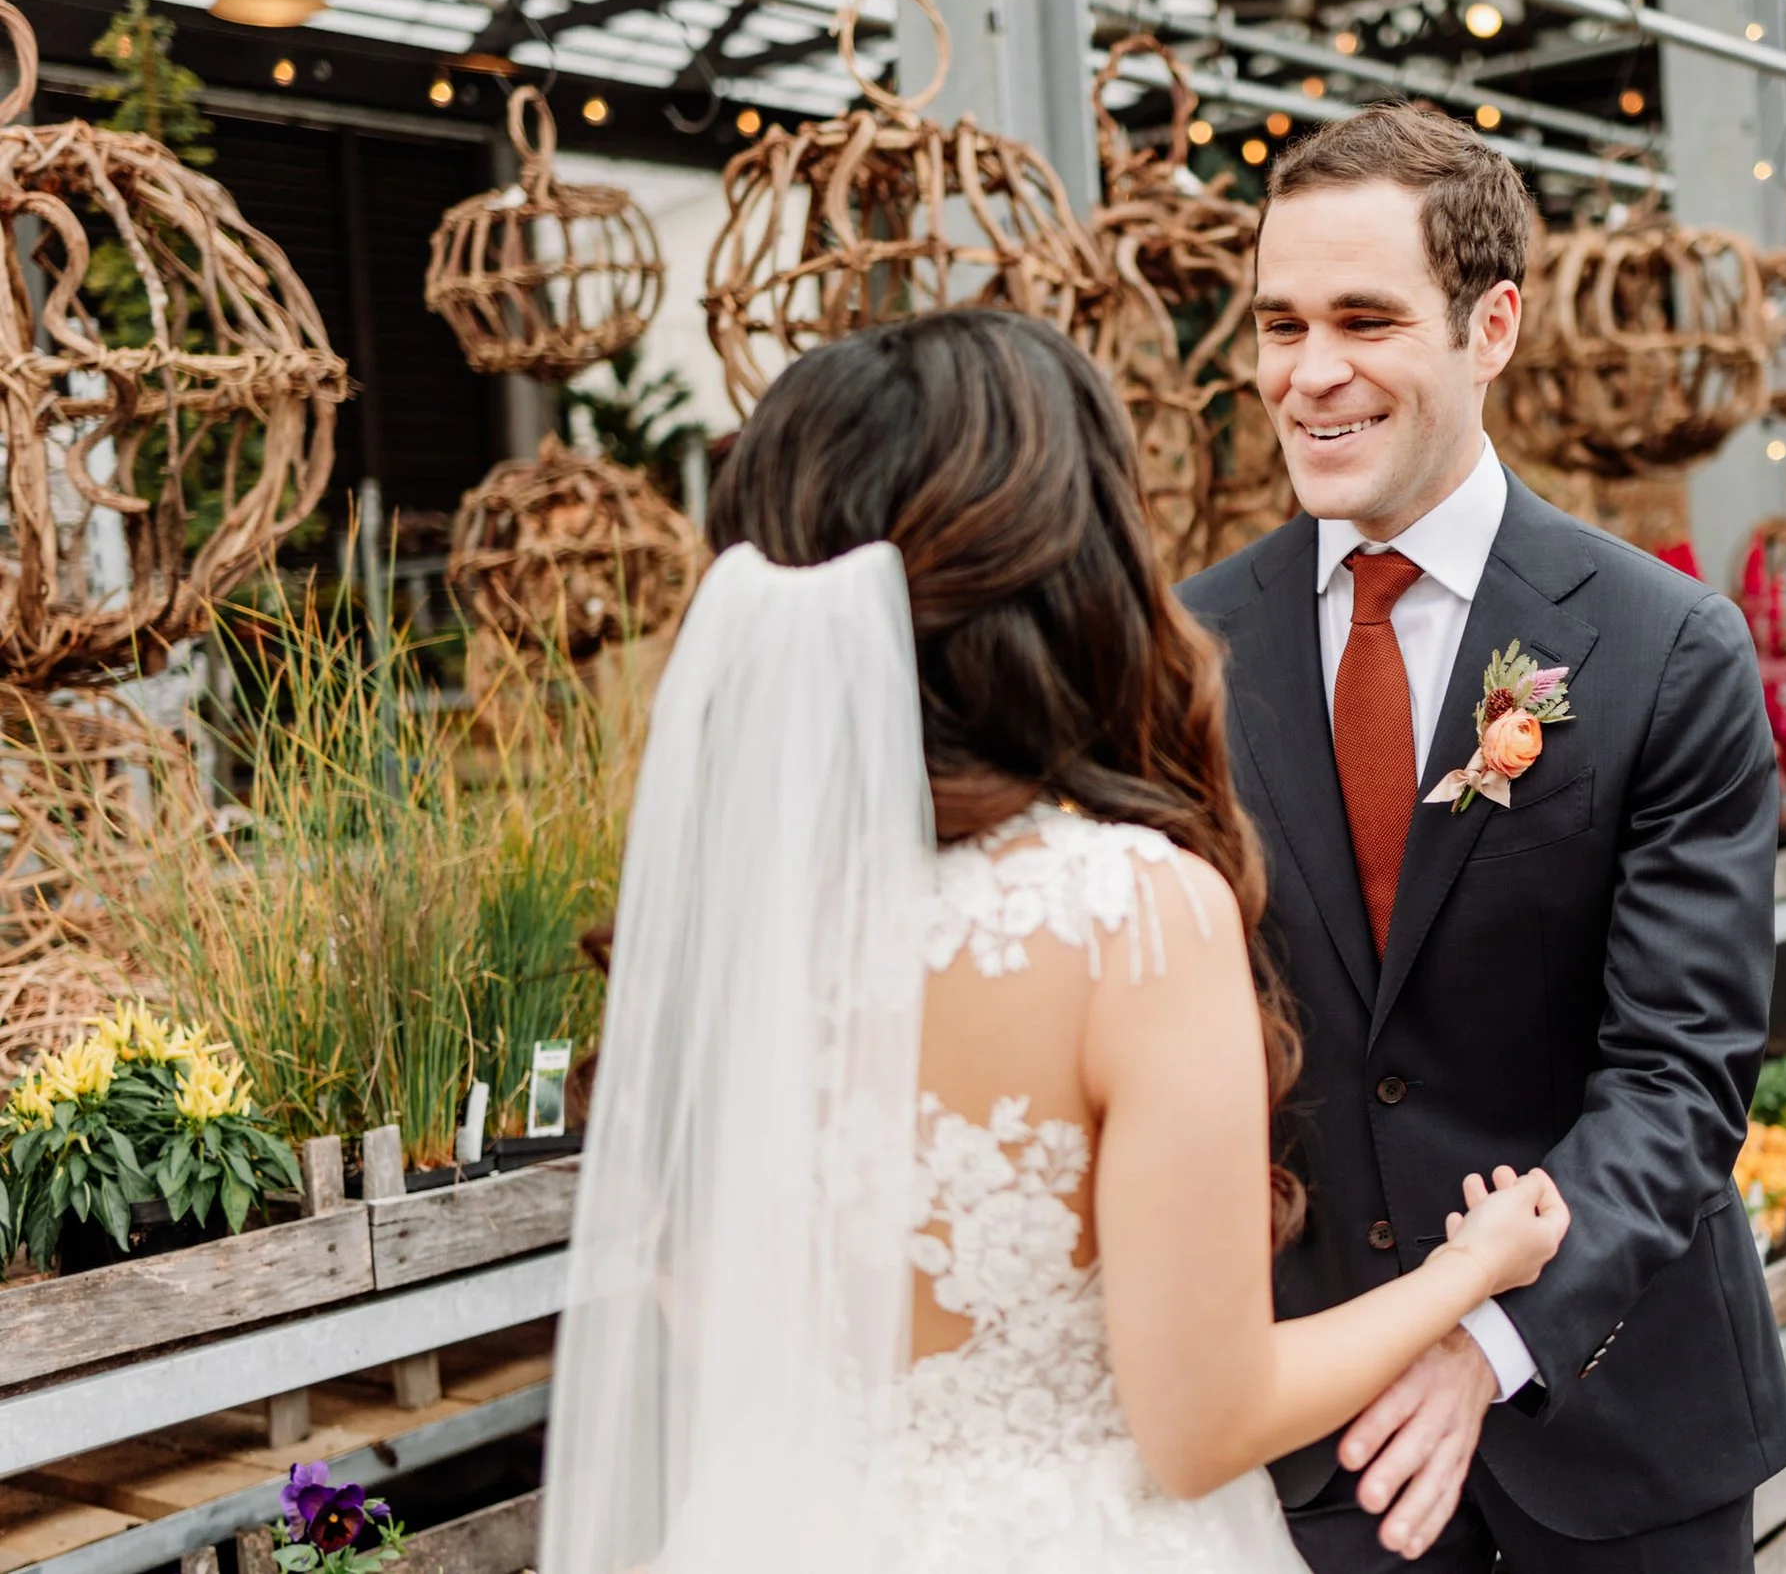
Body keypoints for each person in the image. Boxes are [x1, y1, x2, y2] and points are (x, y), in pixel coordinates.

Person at [536, 308, 1571, 1574]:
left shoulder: (728, 930)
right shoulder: (1119, 915)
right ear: (1068, 572)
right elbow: (1204, 1425)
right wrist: (1467, 1270)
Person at [1177, 102, 1786, 1571]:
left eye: (1364, 319)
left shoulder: (1667, 647)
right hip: (1314, 1436)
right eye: (1279, 324)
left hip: (1620, 1416)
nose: (1308, 373)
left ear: (1492, 325)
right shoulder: (1182, 652)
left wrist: (1489, 1339)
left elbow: (1682, 1069)